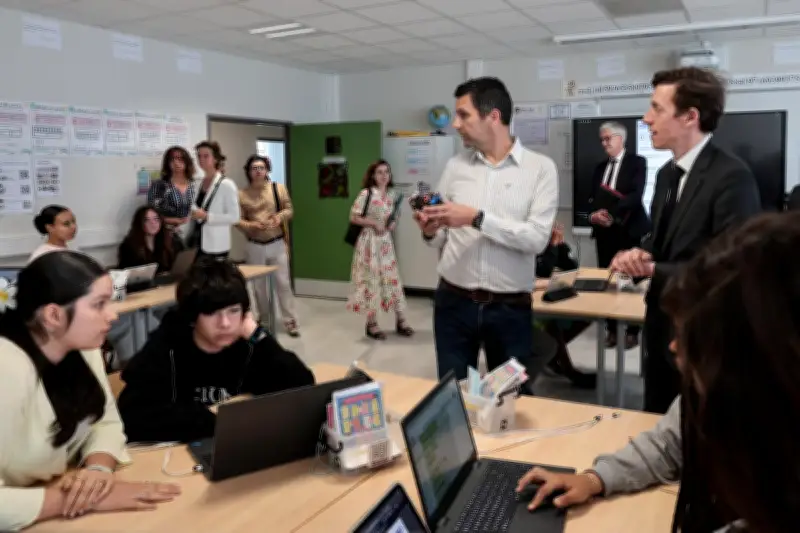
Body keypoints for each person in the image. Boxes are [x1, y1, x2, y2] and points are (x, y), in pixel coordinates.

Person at [517, 212, 800, 533]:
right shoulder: (717, 395)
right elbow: (669, 442)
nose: (675, 348)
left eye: (693, 337)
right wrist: (595, 478)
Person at [611, 67, 761, 413]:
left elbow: (731, 270)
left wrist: (653, 269)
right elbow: (664, 244)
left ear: (690, 117)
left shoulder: (731, 177)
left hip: (703, 336)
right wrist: (639, 255)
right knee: (654, 421)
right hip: (660, 326)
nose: (647, 119)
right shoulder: (665, 174)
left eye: (657, 109)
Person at [0, 251, 180, 531]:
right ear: (53, 315)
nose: (113, 314)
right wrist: (81, 499)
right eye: (99, 304)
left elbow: (104, 422)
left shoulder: (81, 346)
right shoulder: (7, 368)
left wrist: (97, 470)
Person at [414, 77, 558, 381]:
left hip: (509, 310)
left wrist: (477, 219)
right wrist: (430, 229)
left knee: (507, 404)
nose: (455, 123)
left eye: (463, 115)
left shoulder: (540, 170)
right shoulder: (456, 166)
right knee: (453, 396)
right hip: (453, 304)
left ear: (493, 117)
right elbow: (440, 234)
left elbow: (535, 239)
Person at [117, 259, 315, 443]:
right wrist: (213, 422)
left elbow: (302, 385)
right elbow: (132, 416)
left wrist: (260, 338)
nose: (225, 323)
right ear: (193, 315)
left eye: (234, 311)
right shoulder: (168, 344)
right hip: (184, 452)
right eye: (212, 313)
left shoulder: (248, 344)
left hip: (236, 443)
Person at [28, 205, 136, 370]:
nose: (73, 227)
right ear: (49, 227)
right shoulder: (43, 256)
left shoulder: (72, 252)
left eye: (74, 222)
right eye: (66, 224)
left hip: (80, 313)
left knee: (130, 321)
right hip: (63, 322)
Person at [589, 121, 649, 350]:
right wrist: (595, 215)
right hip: (604, 234)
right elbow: (592, 199)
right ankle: (612, 330)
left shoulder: (637, 163)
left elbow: (636, 195)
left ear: (621, 139)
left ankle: (632, 331)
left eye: (608, 138)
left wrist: (612, 214)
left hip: (629, 231)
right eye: (602, 140)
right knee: (608, 281)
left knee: (632, 280)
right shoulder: (598, 168)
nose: (604, 143)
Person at [346, 160, 413, 340]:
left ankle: (401, 320)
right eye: (379, 172)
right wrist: (373, 222)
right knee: (371, 280)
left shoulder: (392, 195)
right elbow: (354, 217)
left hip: (385, 243)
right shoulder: (366, 193)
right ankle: (372, 323)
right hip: (368, 243)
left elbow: (394, 217)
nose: (384, 176)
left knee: (391, 279)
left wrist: (391, 224)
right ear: (373, 175)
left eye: (387, 172)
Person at [237, 155, 300, 337]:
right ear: (248, 171)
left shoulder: (277, 188)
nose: (258, 171)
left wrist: (279, 217)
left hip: (277, 242)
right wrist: (251, 226)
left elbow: (289, 209)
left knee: (283, 283)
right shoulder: (242, 194)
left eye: (261, 167)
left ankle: (290, 320)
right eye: (254, 168)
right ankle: (265, 319)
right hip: (255, 244)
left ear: (267, 170)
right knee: (259, 286)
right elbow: (238, 220)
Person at [534, 224, 595, 389]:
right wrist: (552, 246)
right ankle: (571, 373)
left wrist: (560, 245)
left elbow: (571, 267)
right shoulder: (532, 241)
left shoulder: (552, 242)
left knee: (586, 317)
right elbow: (542, 270)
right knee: (552, 323)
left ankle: (553, 358)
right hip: (526, 301)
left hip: (545, 294)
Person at [188, 141, 240, 261]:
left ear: (216, 159)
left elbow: (235, 217)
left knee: (215, 279)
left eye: (206, 156)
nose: (201, 159)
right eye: (199, 156)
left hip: (216, 245)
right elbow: (196, 207)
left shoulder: (227, 184)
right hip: (197, 242)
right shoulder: (198, 183)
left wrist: (208, 216)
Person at [147, 145, 197, 242]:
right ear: (167, 163)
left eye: (179, 159)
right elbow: (150, 215)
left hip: (192, 236)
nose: (176, 163)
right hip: (167, 236)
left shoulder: (194, 185)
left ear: (187, 161)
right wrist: (172, 221)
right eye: (172, 160)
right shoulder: (159, 185)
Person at [117, 206, 183, 273]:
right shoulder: (129, 246)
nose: (153, 223)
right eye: (147, 220)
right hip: (142, 282)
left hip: (167, 281)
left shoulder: (169, 240)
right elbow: (125, 273)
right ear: (139, 223)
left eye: (156, 219)